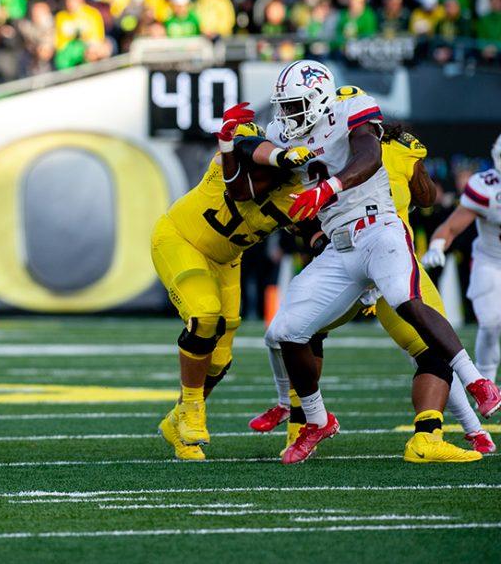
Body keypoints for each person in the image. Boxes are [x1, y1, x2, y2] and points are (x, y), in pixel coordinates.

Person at [263, 60, 500, 464]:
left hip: (378, 229)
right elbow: (265, 158)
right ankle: (315, 419)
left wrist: (330, 188)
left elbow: (369, 155)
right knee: (285, 331)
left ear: (320, 98)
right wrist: (242, 147)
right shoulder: (281, 132)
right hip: (338, 249)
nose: (287, 116)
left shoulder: (350, 107)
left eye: (295, 105)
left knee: (406, 300)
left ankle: (477, 382)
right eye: (283, 107)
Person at [151, 103, 310, 460]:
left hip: (226, 259)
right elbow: (243, 146)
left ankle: (177, 423)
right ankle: (191, 411)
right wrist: (283, 156)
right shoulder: (238, 150)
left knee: (220, 360)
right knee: (205, 317)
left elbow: (314, 234)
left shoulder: (295, 193)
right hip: (181, 239)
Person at [424, 133, 501, 386]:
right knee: (490, 325)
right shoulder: (486, 187)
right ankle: (486, 383)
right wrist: (437, 245)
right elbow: (451, 227)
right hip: (491, 261)